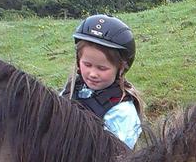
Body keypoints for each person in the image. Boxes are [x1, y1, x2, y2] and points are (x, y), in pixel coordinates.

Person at [60, 14, 144, 148]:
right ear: (78, 60)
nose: (93, 74)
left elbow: (119, 156)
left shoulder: (121, 111)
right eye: (87, 65)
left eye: (102, 68)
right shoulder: (71, 88)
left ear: (120, 68)